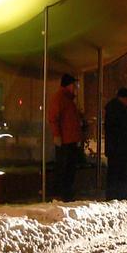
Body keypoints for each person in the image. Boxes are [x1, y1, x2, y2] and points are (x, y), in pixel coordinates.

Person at [47, 73, 84, 202]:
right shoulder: (60, 98)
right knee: (64, 168)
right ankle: (63, 194)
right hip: (65, 141)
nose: (76, 87)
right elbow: (53, 118)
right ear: (68, 85)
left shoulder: (68, 99)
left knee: (69, 168)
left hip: (70, 139)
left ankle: (67, 193)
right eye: (74, 85)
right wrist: (57, 135)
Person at [104, 87, 127, 200]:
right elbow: (123, 129)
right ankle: (118, 195)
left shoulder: (114, 109)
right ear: (124, 98)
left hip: (115, 148)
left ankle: (114, 195)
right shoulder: (119, 111)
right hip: (119, 148)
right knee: (119, 172)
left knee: (115, 172)